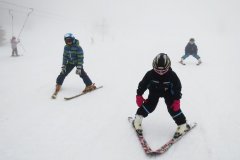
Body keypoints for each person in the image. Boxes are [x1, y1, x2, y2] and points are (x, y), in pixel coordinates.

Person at [133, 53, 190, 138]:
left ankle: (182, 124)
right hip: (154, 90)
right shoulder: (150, 74)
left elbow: (177, 87)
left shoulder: (172, 75)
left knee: (173, 108)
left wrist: (177, 99)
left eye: (163, 71)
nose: (160, 73)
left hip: (168, 92)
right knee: (150, 106)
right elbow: (143, 84)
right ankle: (137, 119)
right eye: (157, 70)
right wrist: (139, 95)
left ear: (168, 67)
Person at [52, 33, 96, 99]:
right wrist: (64, 65)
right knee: (63, 73)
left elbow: (80, 58)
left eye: (70, 40)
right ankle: (58, 84)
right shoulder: (66, 47)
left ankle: (89, 85)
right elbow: (65, 57)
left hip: (77, 62)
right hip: (70, 62)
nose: (69, 42)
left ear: (73, 39)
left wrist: (79, 67)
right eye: (67, 41)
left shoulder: (78, 47)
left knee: (81, 73)